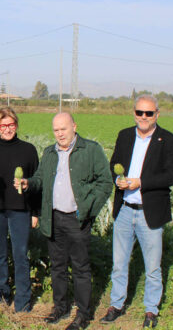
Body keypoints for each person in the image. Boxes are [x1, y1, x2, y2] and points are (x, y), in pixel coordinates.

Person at [17, 112, 109, 330]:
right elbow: (40, 179)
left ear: (74, 127)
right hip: (54, 217)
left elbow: (105, 183)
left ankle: (83, 314)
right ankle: (60, 307)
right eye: (56, 130)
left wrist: (87, 209)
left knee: (80, 267)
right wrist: (28, 183)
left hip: (77, 218)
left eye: (64, 129)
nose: (60, 134)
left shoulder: (91, 150)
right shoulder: (50, 153)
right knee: (57, 266)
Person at [101, 95, 173, 328]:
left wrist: (141, 182)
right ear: (133, 113)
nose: (143, 117)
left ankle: (150, 310)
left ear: (157, 113)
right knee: (119, 262)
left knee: (153, 266)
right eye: (139, 112)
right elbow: (113, 163)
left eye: (149, 113)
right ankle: (116, 304)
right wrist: (118, 180)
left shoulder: (167, 140)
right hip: (125, 209)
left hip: (150, 211)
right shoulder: (125, 136)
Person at [0, 107, 39, 312]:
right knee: (0, 253)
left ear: (16, 125)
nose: (7, 129)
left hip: (21, 209)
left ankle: (23, 300)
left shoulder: (28, 150)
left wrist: (35, 212)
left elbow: (37, 182)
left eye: (11, 124)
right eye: (3, 125)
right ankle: (1, 294)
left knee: (20, 254)